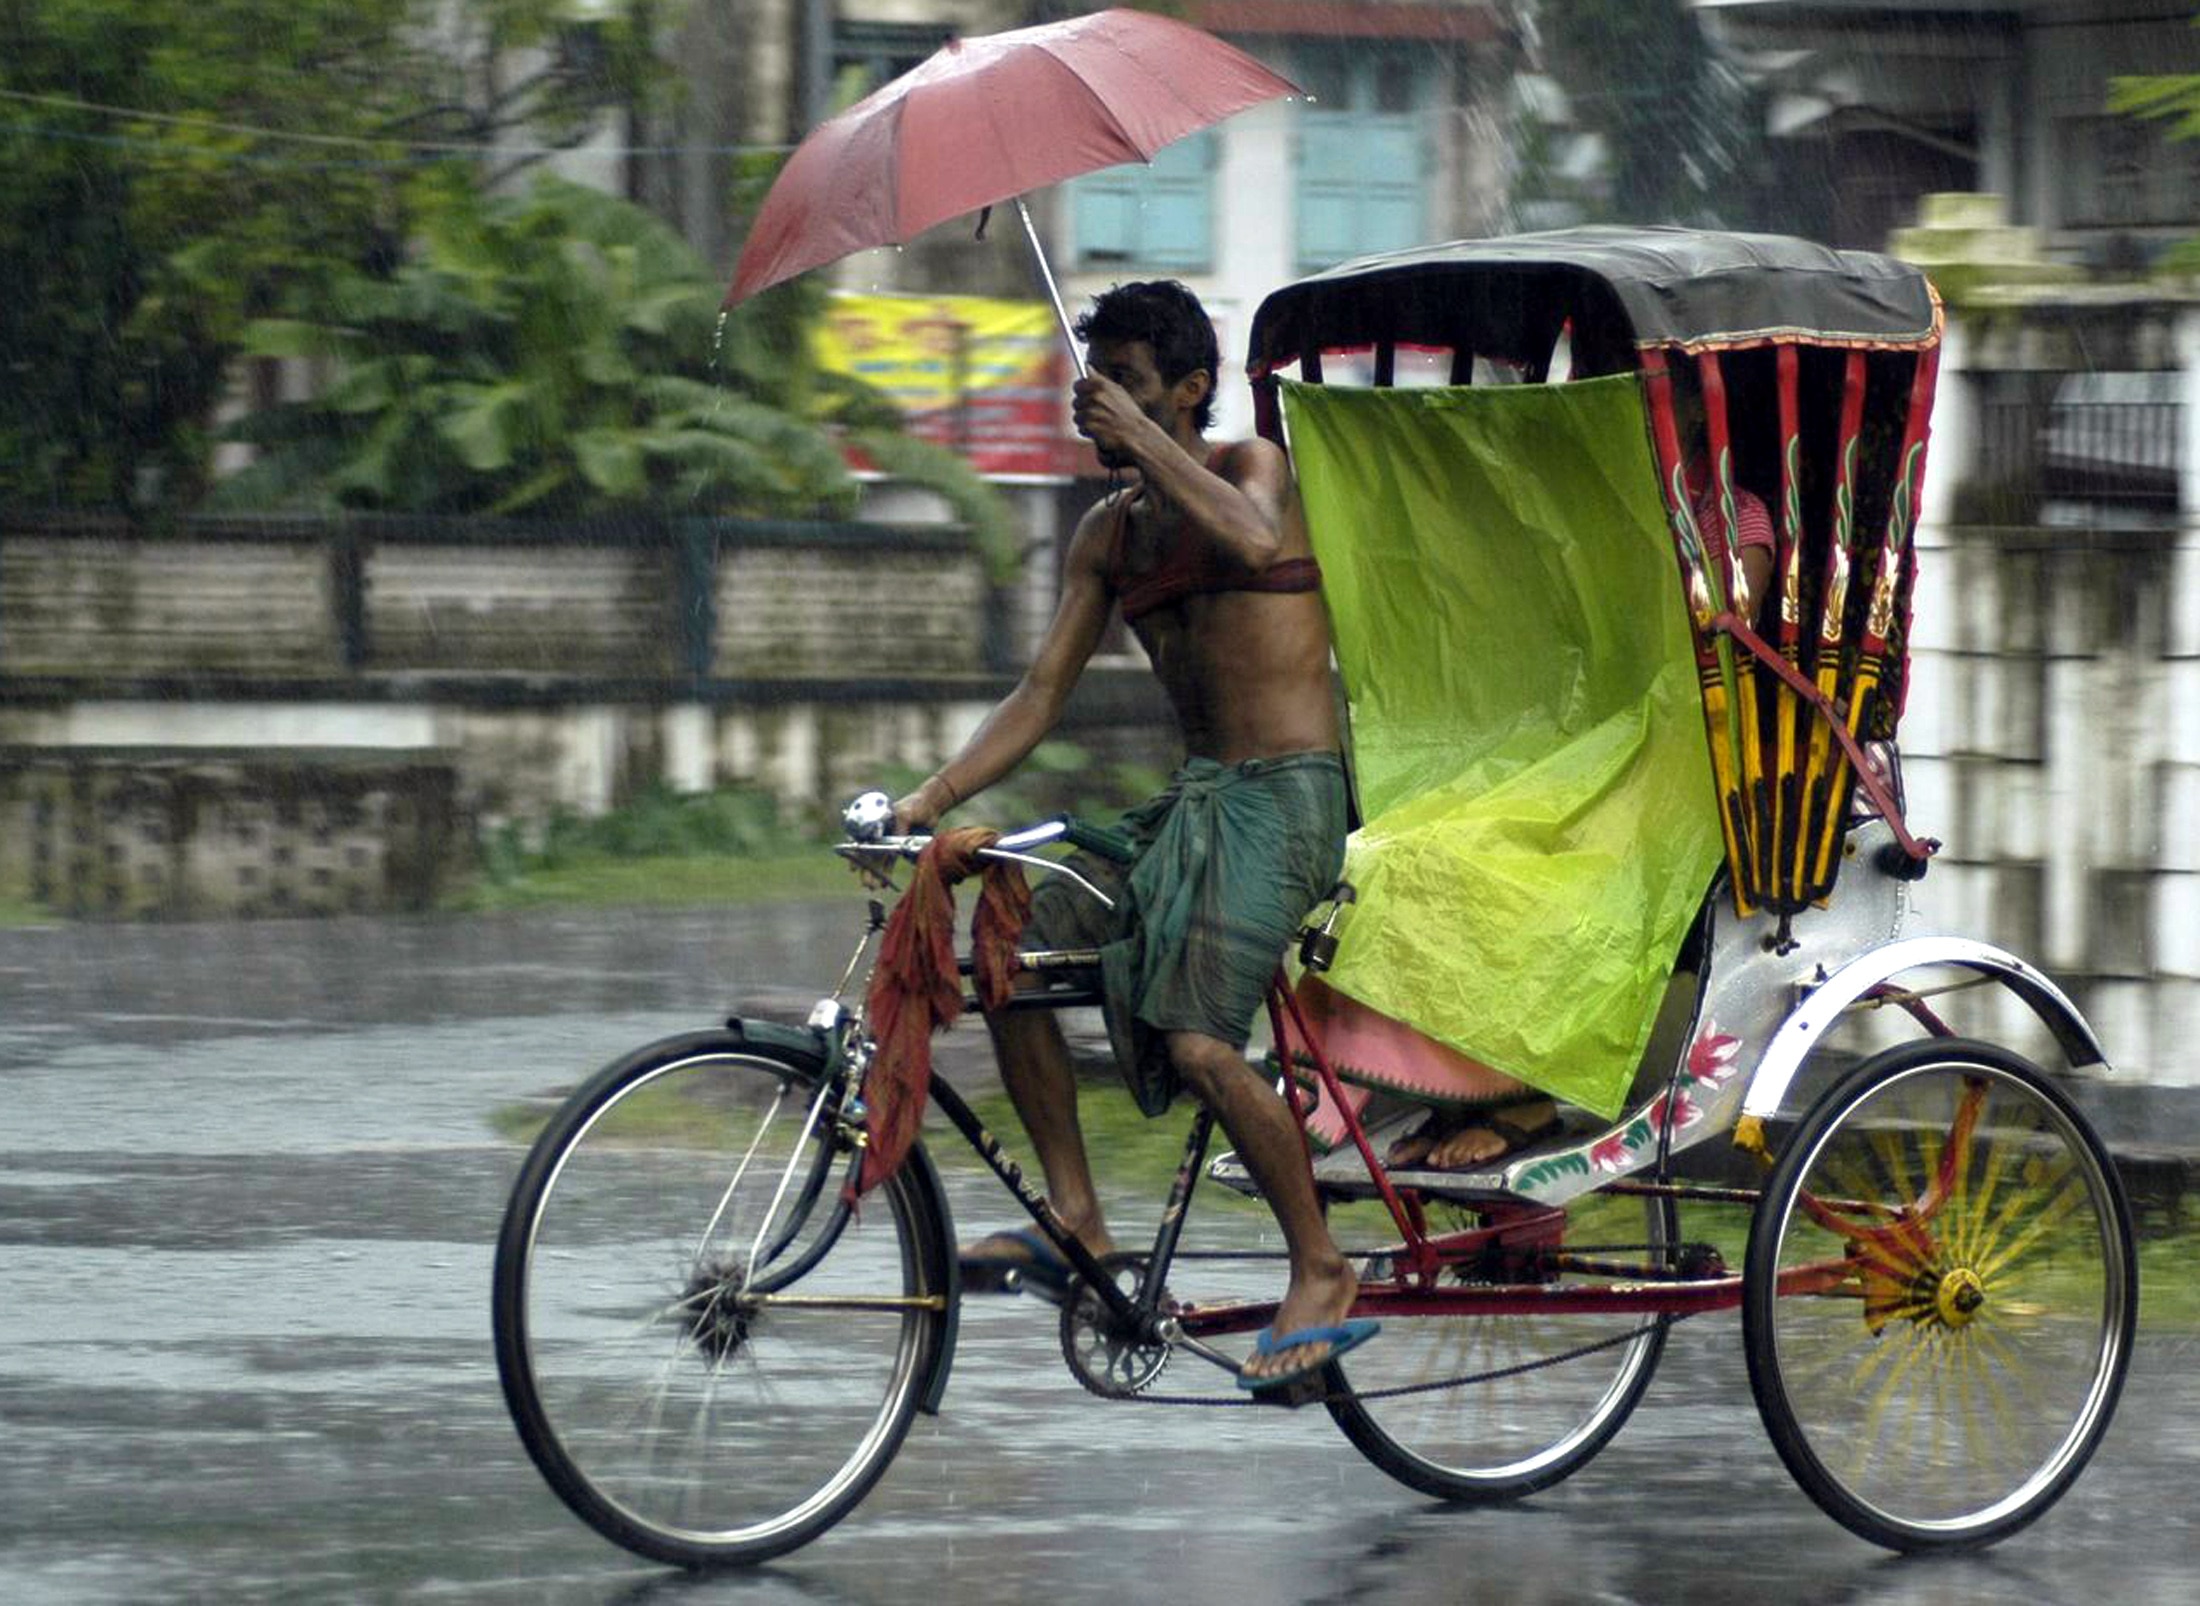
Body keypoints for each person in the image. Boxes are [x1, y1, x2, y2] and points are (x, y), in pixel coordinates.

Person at [890, 280, 1369, 1391]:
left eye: (1128, 383)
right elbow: (1040, 691)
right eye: (1091, 381)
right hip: (1190, 808)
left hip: (1289, 802)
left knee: (1201, 1040)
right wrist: (932, 797)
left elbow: (1253, 543)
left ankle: (1321, 1267)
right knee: (1014, 940)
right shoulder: (1109, 535)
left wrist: (1144, 441)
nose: (1093, 402)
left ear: (1191, 391)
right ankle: (1077, 1219)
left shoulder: (1254, 471)